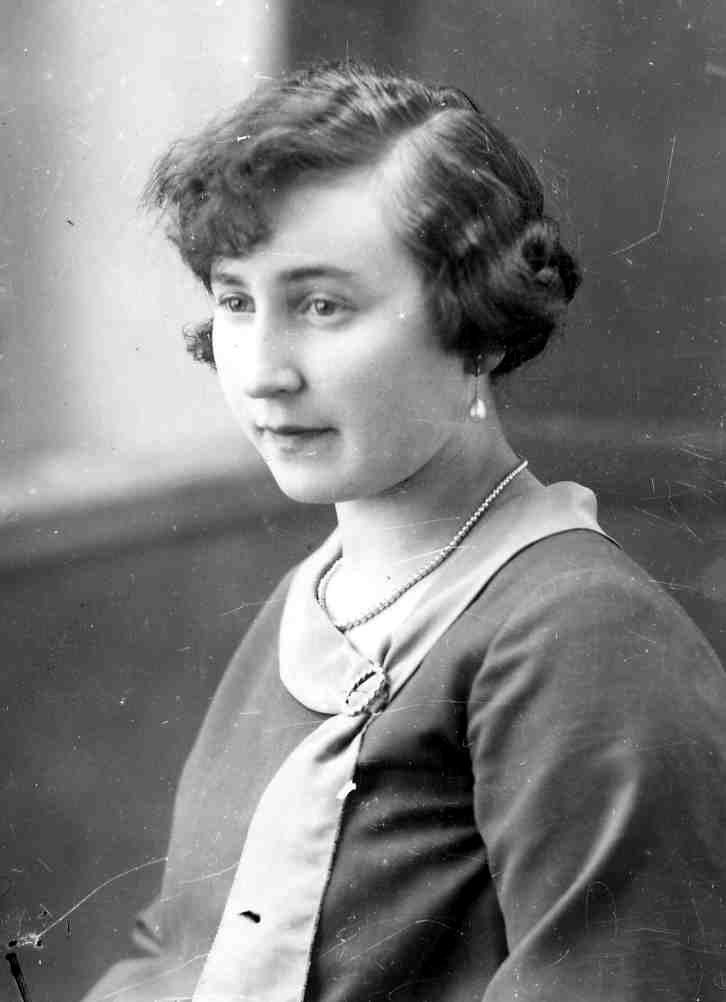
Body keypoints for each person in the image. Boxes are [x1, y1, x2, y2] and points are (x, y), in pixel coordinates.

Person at [82, 62, 726, 1001]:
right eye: (235, 301)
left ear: (479, 328)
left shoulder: (579, 634)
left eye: (323, 306)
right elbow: (179, 953)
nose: (261, 370)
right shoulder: (319, 596)